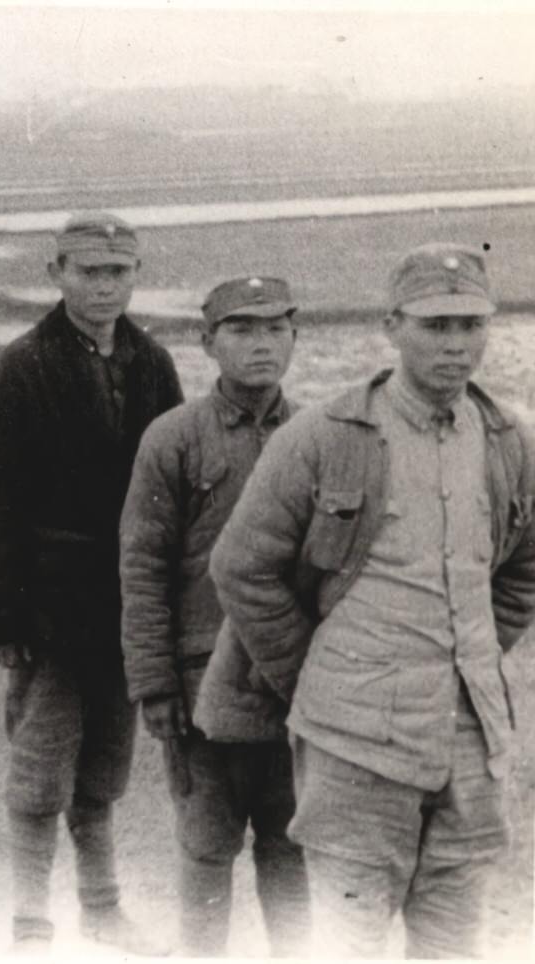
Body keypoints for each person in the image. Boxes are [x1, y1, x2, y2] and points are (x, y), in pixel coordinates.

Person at [205, 244, 535, 957]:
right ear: (393, 326)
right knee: (347, 940)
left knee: (454, 943)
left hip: (470, 743)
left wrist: (473, 654)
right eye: (435, 325)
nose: (456, 345)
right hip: (353, 745)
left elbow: (524, 570)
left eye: (471, 326)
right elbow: (240, 566)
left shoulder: (511, 439)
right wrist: (316, 670)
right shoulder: (325, 437)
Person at [0, 212, 180, 952]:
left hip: (124, 605)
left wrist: (169, 603)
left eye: (118, 271)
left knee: (105, 767)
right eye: (89, 271)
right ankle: (30, 918)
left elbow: (171, 494)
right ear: (56, 272)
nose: (104, 286)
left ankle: (102, 906)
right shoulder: (19, 368)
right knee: (40, 767)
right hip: (48, 608)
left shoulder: (153, 364)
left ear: (135, 276)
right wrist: (2, 621)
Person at [119, 276, 309, 956]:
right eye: (242, 330)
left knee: (293, 849)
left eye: (276, 328)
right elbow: (142, 567)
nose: (262, 344)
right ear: (207, 343)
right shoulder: (173, 439)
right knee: (206, 846)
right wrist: (154, 684)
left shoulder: (321, 435)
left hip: (297, 688)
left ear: (294, 338)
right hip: (204, 687)